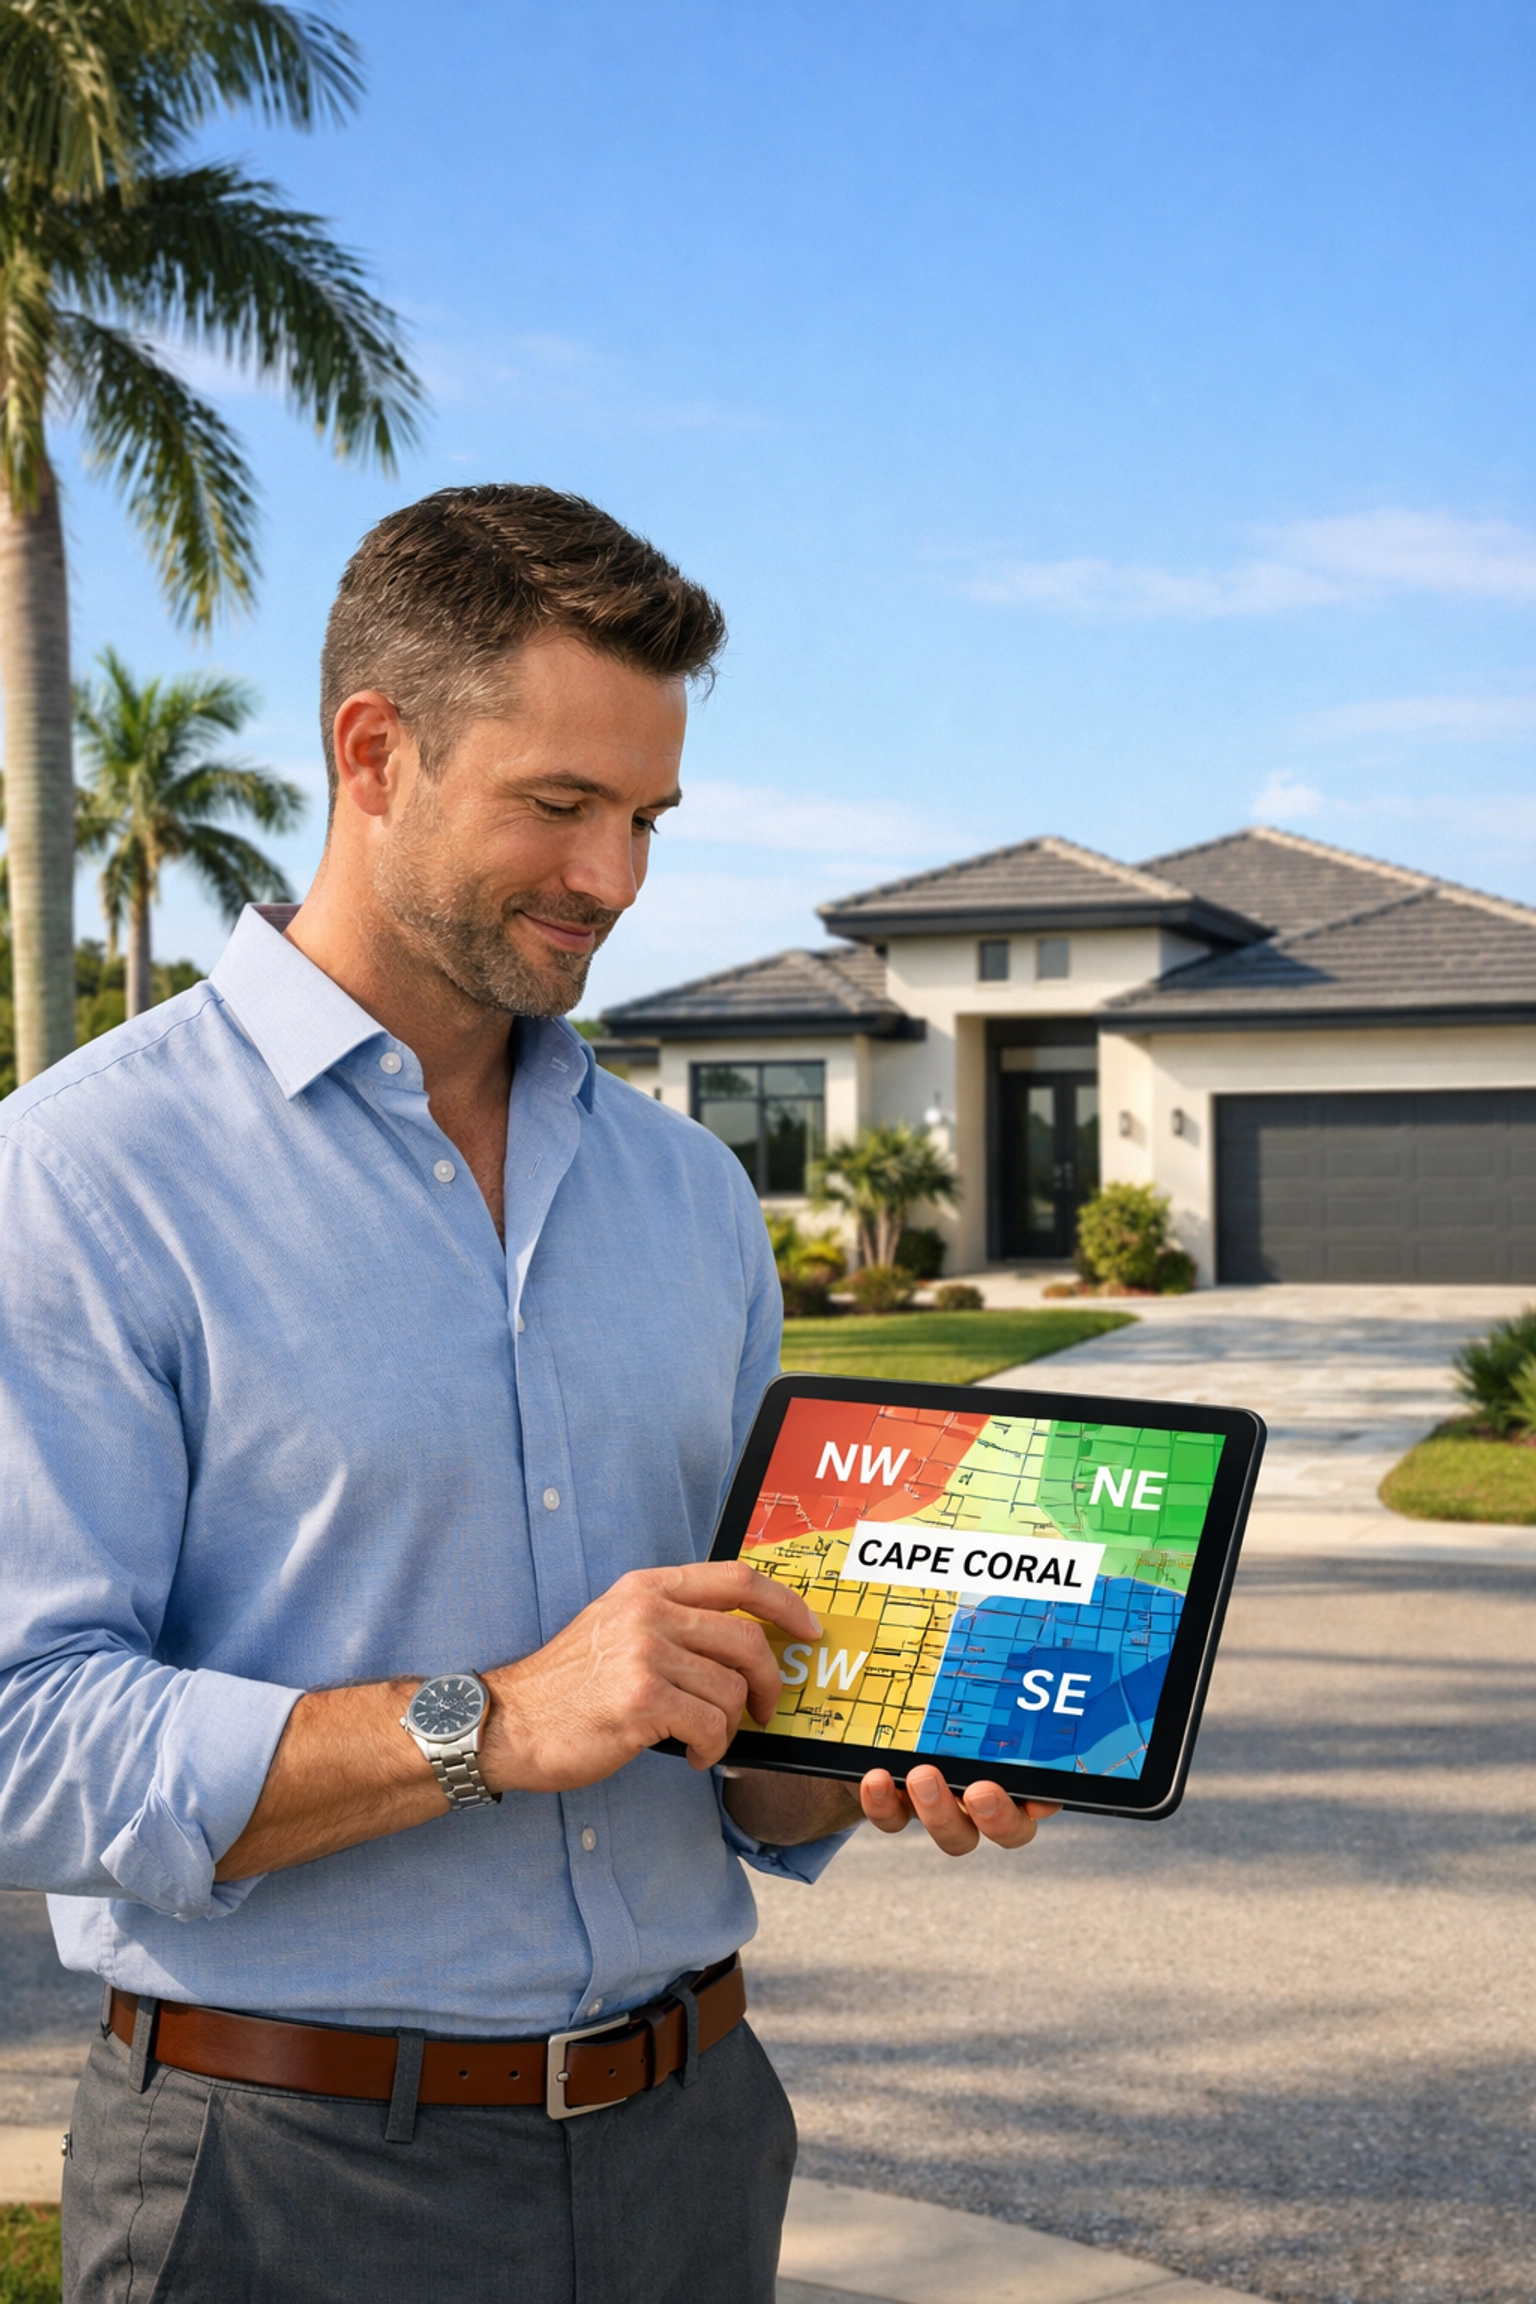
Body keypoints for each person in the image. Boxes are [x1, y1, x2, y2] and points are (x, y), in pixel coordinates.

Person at [0, 485, 1055, 2304]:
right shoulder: (85, 1175)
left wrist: (850, 1755)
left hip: (695, 2147)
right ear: (374, 750)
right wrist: (483, 1719)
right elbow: (22, 1736)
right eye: (559, 805)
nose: (617, 881)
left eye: (644, 816)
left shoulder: (691, 1198)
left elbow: (730, 1752)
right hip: (279, 2188)